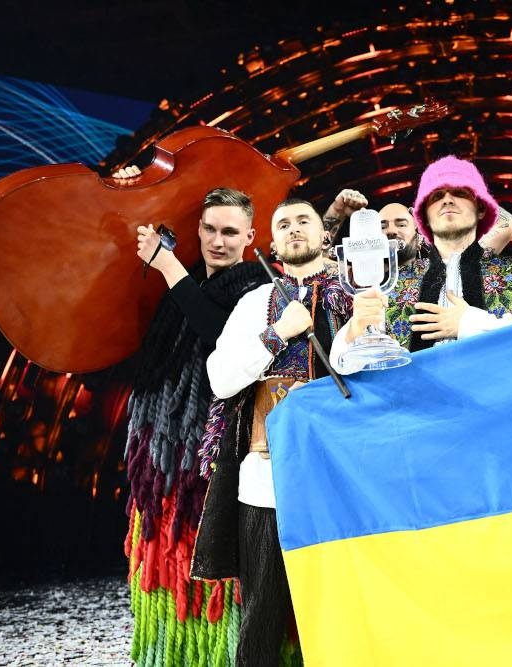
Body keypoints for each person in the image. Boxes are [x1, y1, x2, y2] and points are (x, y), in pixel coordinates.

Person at [194, 197, 352, 666]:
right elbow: (221, 378)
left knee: (339, 610)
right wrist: (277, 334)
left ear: (325, 234)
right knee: (261, 613)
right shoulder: (255, 303)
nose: (294, 228)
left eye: (304, 220)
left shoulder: (357, 292)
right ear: (272, 241)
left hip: (342, 478)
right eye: (283, 223)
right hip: (266, 481)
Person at [123, 186, 267, 667]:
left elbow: (219, 336)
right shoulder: (183, 284)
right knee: (171, 556)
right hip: (165, 454)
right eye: (210, 229)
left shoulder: (256, 286)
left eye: (230, 231)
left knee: (218, 560)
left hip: (212, 453)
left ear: (250, 236)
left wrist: (169, 267)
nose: (218, 241)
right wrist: (126, 189)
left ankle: (223, 656)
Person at [332, 156, 512, 367]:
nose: (448, 200)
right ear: (424, 216)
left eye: (460, 192)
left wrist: (468, 324)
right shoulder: (392, 286)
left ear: (481, 208)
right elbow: (341, 364)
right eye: (437, 196)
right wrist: (356, 329)